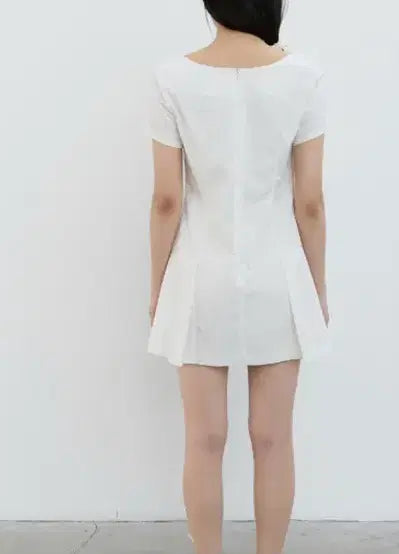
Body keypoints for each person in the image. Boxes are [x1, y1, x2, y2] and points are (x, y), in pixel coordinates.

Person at [147, 1, 330, 552]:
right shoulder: (304, 76)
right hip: (278, 277)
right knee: (273, 441)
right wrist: (317, 290)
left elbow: (166, 200)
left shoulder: (172, 78)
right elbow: (310, 202)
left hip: (200, 278)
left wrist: (157, 288)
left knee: (203, 442)